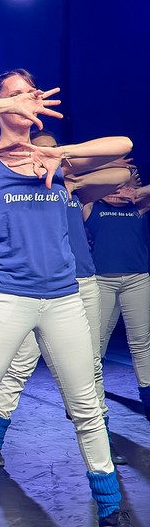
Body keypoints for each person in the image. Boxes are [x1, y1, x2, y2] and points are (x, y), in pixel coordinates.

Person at [0, 68, 139, 527]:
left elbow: (124, 147)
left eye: (32, 92)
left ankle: (110, 507)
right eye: (17, 93)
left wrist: (61, 152)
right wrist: (7, 104)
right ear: (1, 104)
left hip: (63, 299)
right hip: (5, 298)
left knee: (86, 407)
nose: (29, 98)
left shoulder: (54, 161)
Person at [0, 132, 132, 467]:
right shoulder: (21, 187)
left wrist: (75, 179)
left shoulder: (71, 187)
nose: (49, 153)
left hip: (82, 282)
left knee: (91, 366)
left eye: (54, 149)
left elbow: (121, 174)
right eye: (43, 149)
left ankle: (103, 440)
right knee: (19, 365)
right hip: (38, 289)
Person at [85, 175, 150, 421]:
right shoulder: (90, 205)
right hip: (102, 280)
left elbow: (136, 193)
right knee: (97, 343)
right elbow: (79, 183)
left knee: (141, 342)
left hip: (137, 279)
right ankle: (90, 398)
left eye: (127, 181)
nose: (121, 187)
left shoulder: (139, 207)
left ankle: (148, 400)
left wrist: (138, 191)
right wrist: (108, 189)